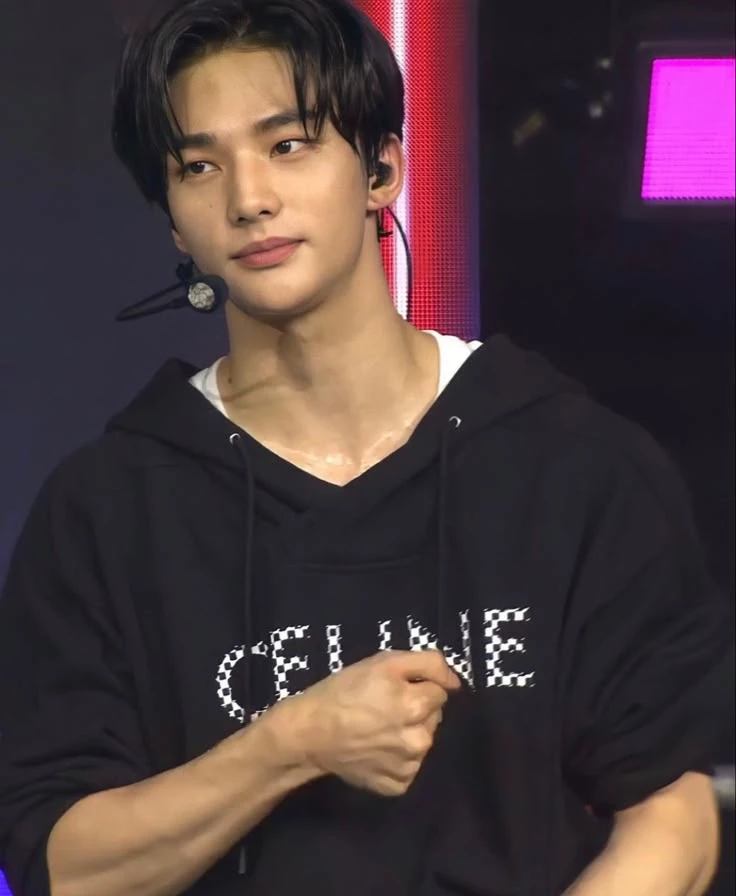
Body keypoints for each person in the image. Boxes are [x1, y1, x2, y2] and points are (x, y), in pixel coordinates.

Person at [0, 1, 731, 894]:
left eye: (288, 145)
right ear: (176, 225)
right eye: (199, 166)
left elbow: (672, 814)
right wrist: (291, 744)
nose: (248, 199)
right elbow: (64, 868)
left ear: (382, 168)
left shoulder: (574, 465)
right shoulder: (107, 510)